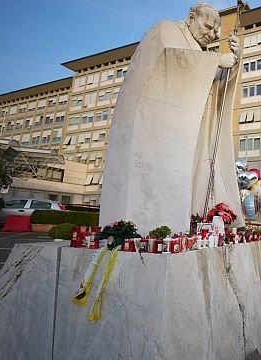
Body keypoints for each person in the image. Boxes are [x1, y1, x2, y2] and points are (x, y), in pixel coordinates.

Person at [100, 3, 244, 234]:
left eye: (216, 32)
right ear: (190, 18)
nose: (211, 35)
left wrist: (234, 64)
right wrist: (215, 61)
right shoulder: (166, 30)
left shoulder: (204, 53)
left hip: (192, 129)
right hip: (159, 132)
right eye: (207, 27)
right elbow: (167, 59)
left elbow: (214, 87)